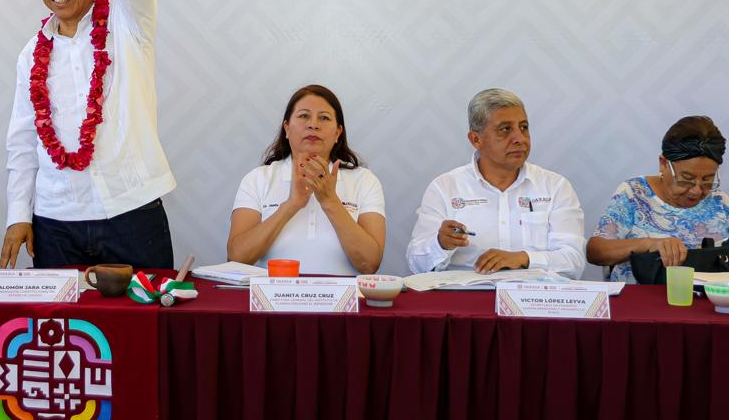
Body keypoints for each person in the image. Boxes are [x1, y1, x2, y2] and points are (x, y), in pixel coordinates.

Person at [0, 0, 177, 270]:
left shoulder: (128, 25)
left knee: (145, 312)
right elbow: (22, 142)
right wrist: (18, 215)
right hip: (55, 219)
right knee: (59, 315)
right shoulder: (31, 53)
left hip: (131, 209)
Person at [406, 88, 586, 277]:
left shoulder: (555, 186)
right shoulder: (445, 188)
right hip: (464, 293)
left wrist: (524, 259)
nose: (519, 138)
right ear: (476, 140)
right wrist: (441, 244)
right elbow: (416, 265)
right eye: (505, 129)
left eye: (524, 127)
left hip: (532, 293)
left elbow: (574, 261)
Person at [226, 85, 385, 275]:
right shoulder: (257, 179)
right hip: (273, 293)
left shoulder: (364, 180)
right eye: (303, 116)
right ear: (286, 128)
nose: (313, 125)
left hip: (344, 294)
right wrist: (291, 205)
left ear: (337, 133)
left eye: (324, 118)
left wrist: (330, 201)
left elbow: (370, 264)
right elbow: (237, 258)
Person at [586, 116, 727, 282]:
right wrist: (648, 244)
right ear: (664, 164)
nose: (697, 191)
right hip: (639, 296)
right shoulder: (635, 194)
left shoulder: (721, 202)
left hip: (704, 298)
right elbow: (596, 251)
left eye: (707, 180)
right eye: (686, 179)